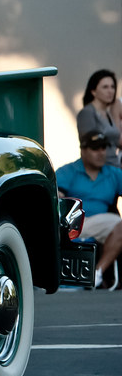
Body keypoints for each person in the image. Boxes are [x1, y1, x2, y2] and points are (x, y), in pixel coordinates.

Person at [56, 130, 122, 289]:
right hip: (73, 222)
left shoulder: (114, 174)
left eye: (103, 148)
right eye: (95, 149)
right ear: (83, 150)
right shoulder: (68, 171)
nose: (101, 153)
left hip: (102, 224)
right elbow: (57, 198)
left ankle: (97, 274)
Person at [76, 69, 122, 168]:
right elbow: (89, 144)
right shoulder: (87, 113)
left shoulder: (108, 113)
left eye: (112, 87)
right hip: (101, 170)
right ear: (93, 91)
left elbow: (116, 141)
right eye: (105, 87)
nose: (110, 91)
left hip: (115, 167)